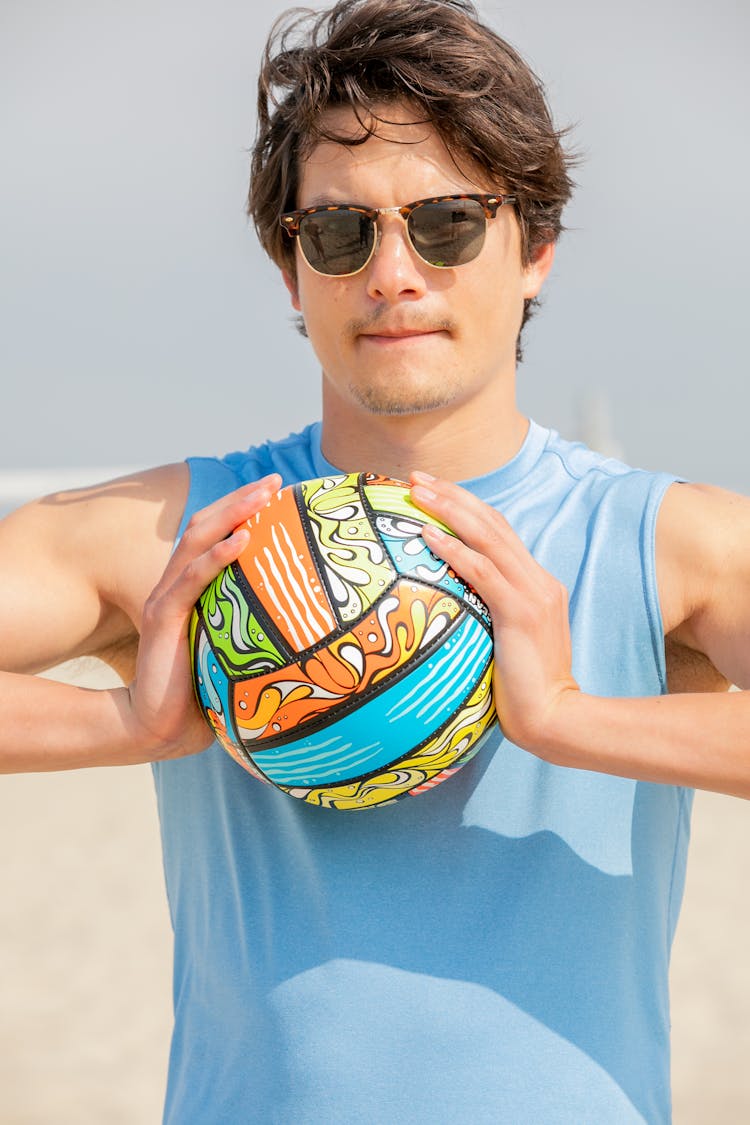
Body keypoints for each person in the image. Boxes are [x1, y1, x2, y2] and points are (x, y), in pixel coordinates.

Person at [2, 0, 749, 1120]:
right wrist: (125, 727)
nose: (392, 273)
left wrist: (568, 717)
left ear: (535, 248)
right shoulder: (180, 537)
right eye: (341, 233)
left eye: (447, 223)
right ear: (290, 267)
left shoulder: (663, 544)